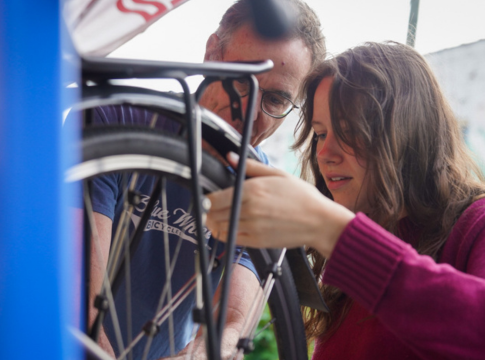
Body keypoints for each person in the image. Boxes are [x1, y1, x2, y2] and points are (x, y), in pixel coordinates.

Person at [206, 42, 485, 359]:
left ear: (407, 129)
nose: (325, 155)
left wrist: (329, 229)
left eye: (349, 130)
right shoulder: (353, 256)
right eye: (321, 134)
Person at [87, 1, 326, 359]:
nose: (247, 113)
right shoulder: (112, 120)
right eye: (241, 79)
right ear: (212, 52)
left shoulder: (263, 194)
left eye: (275, 99)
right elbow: (74, 299)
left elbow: (230, 328)